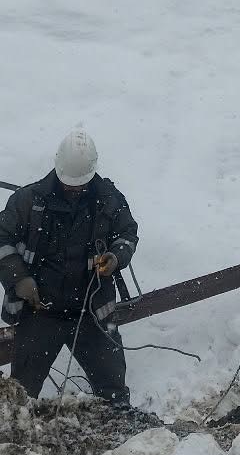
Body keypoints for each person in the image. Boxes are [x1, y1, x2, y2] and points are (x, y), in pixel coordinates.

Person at [0, 129, 138, 407]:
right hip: (41, 313)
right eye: (69, 182)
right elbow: (2, 240)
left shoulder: (109, 199)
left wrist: (116, 256)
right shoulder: (28, 201)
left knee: (113, 393)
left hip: (92, 312)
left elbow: (128, 234)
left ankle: (123, 441)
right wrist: (19, 280)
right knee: (20, 400)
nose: (74, 188)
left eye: (80, 183)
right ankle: (17, 446)